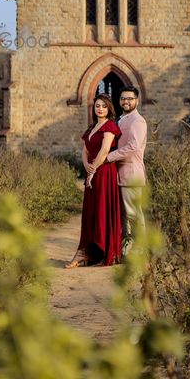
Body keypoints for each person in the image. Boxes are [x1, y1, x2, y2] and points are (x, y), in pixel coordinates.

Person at [67, 94, 123, 268]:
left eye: (104, 106)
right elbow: (84, 151)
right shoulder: (92, 127)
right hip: (93, 171)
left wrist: (93, 171)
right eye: (97, 106)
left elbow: (105, 150)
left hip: (105, 173)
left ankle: (106, 253)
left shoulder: (110, 126)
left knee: (102, 210)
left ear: (109, 109)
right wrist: (88, 168)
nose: (100, 109)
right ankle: (86, 254)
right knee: (90, 212)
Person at [92, 86, 147, 256]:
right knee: (123, 216)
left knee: (133, 213)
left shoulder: (137, 121)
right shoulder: (121, 119)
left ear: (136, 101)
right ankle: (126, 250)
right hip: (118, 174)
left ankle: (140, 250)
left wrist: (108, 157)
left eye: (130, 98)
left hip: (131, 173)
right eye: (123, 98)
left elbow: (133, 146)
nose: (126, 101)